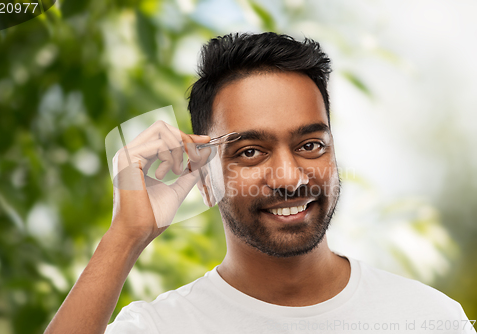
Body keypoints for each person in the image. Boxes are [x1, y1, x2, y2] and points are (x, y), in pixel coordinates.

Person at [44, 32, 475, 334]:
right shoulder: (160, 328)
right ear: (205, 178)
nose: (289, 178)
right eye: (250, 151)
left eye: (309, 145)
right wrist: (125, 236)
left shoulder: (428, 318)